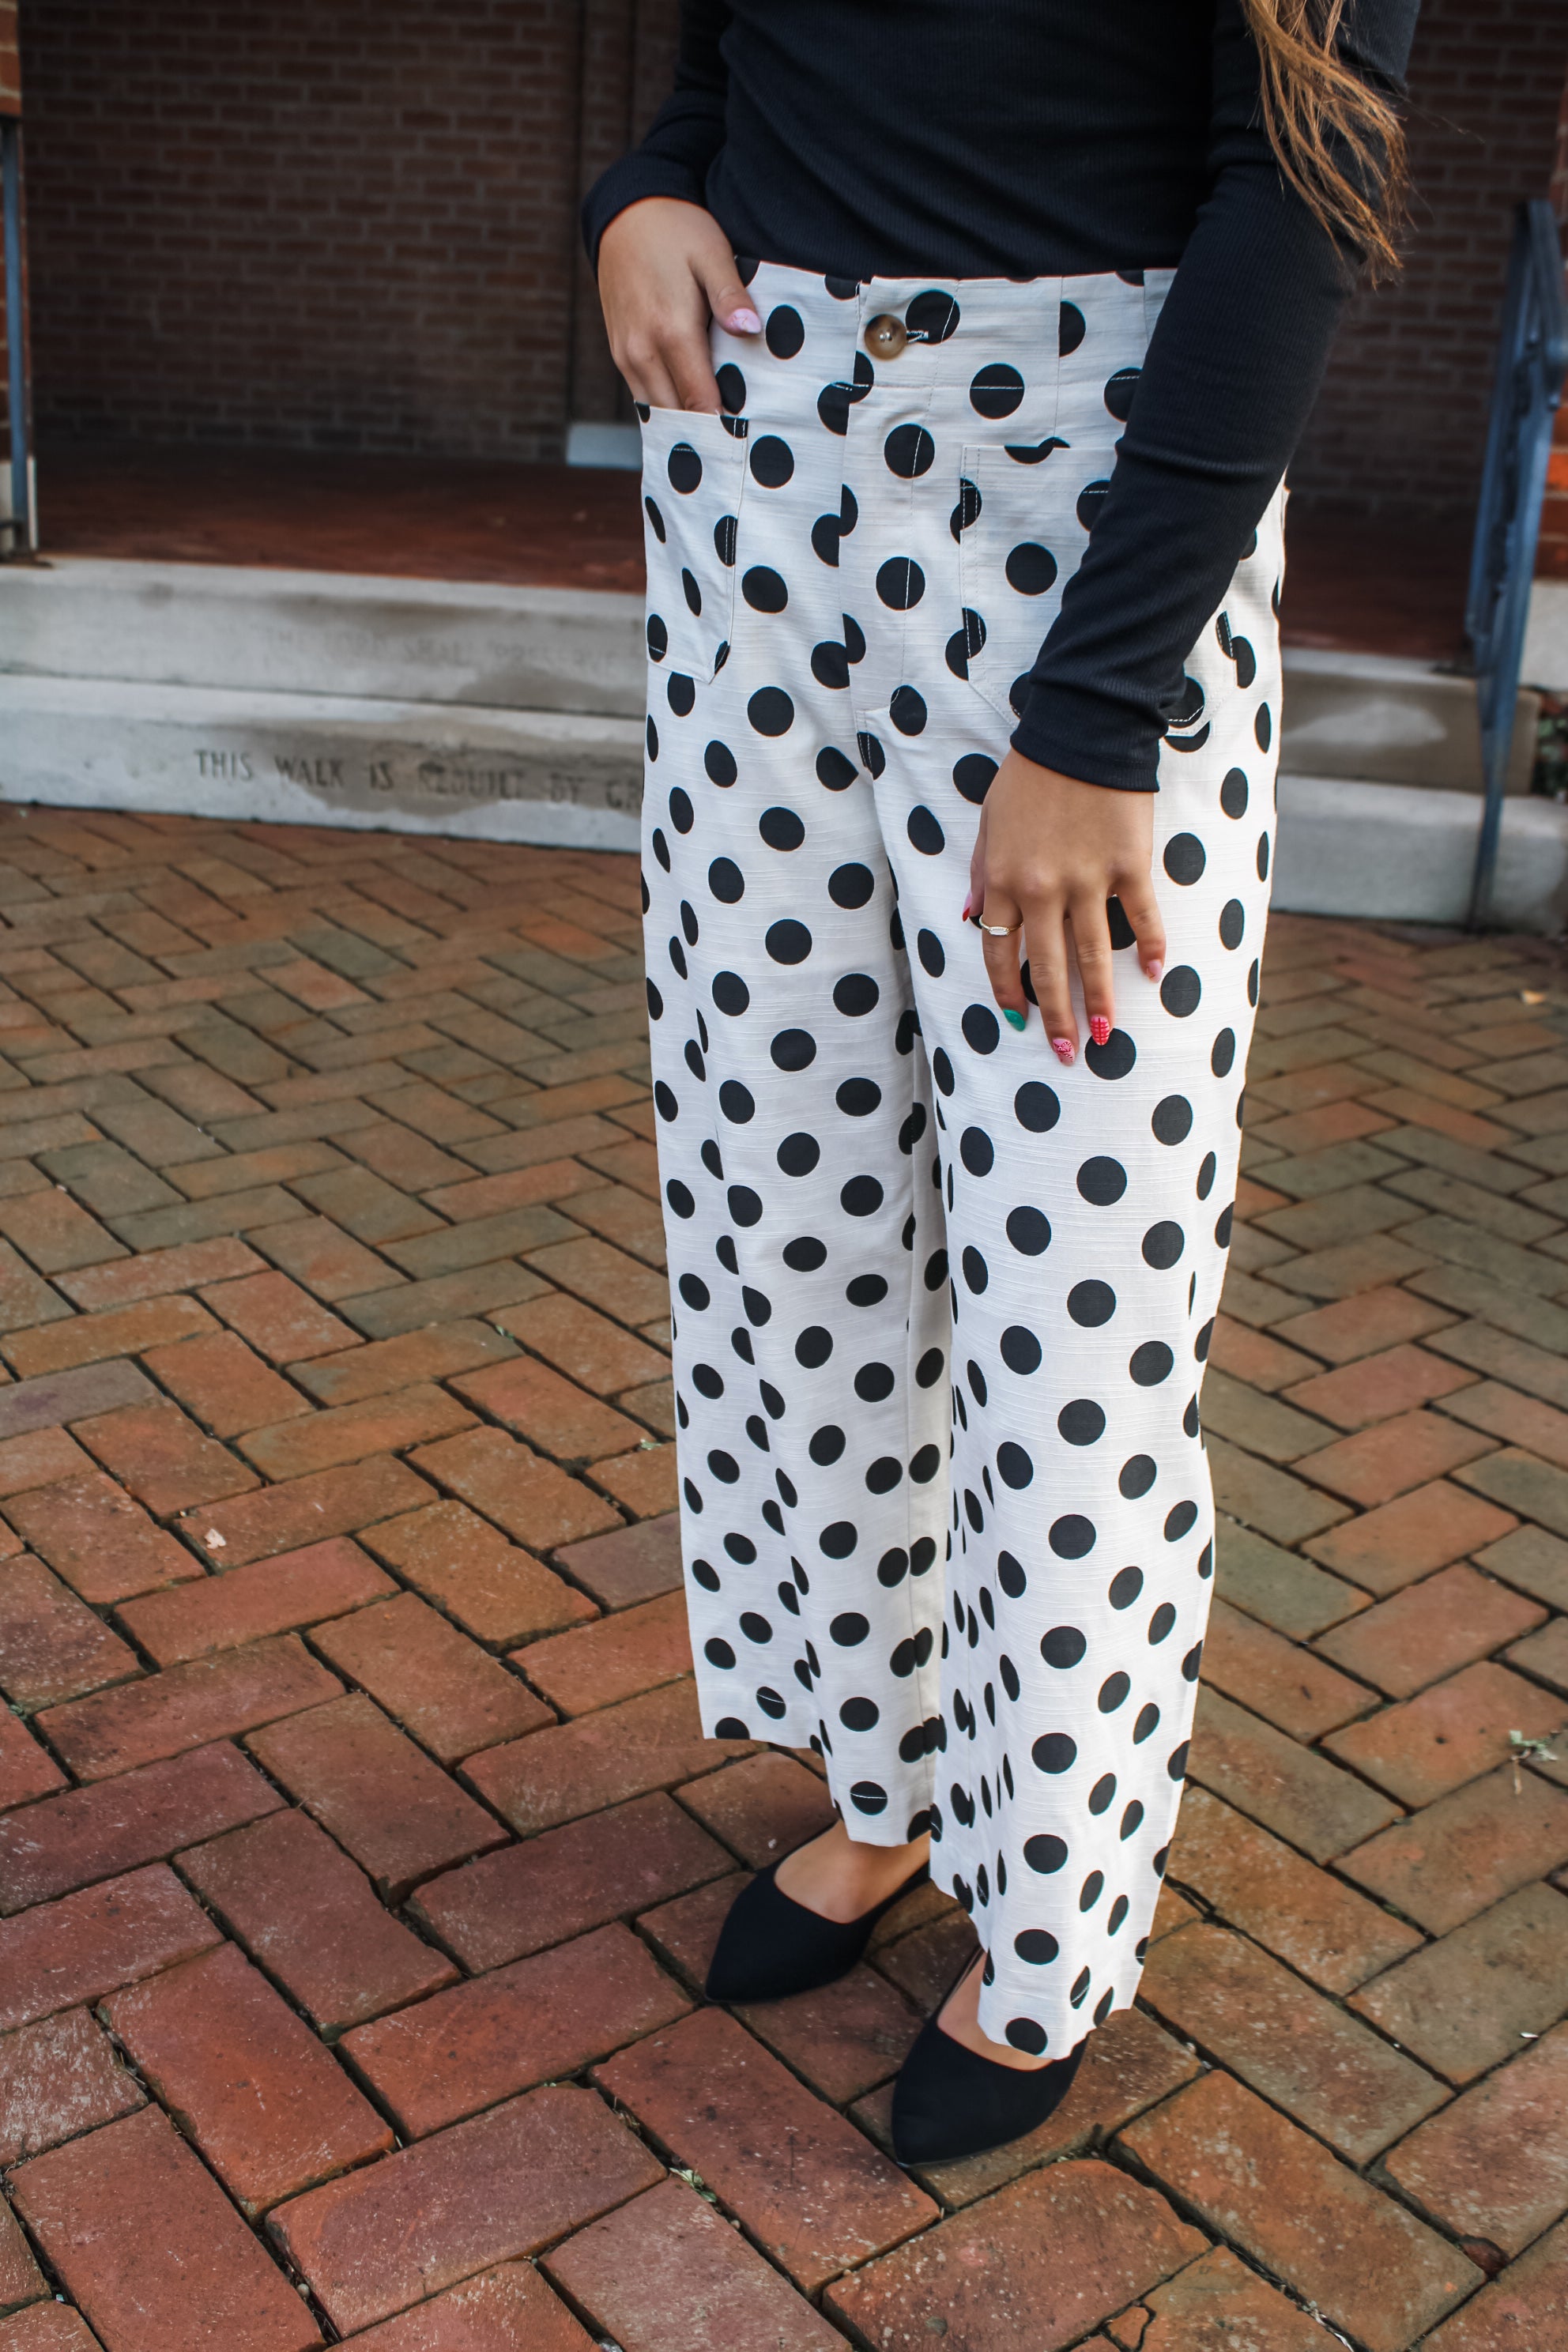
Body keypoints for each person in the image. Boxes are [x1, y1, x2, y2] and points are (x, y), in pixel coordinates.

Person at [584, 0, 1415, 2166]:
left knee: (1075, 1313)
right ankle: (886, 1782)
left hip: (1084, 522)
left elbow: (1299, 182)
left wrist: (1102, 707)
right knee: (792, 1228)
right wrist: (641, 190)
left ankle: (1050, 1916)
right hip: (756, 490)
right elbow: (731, 66)